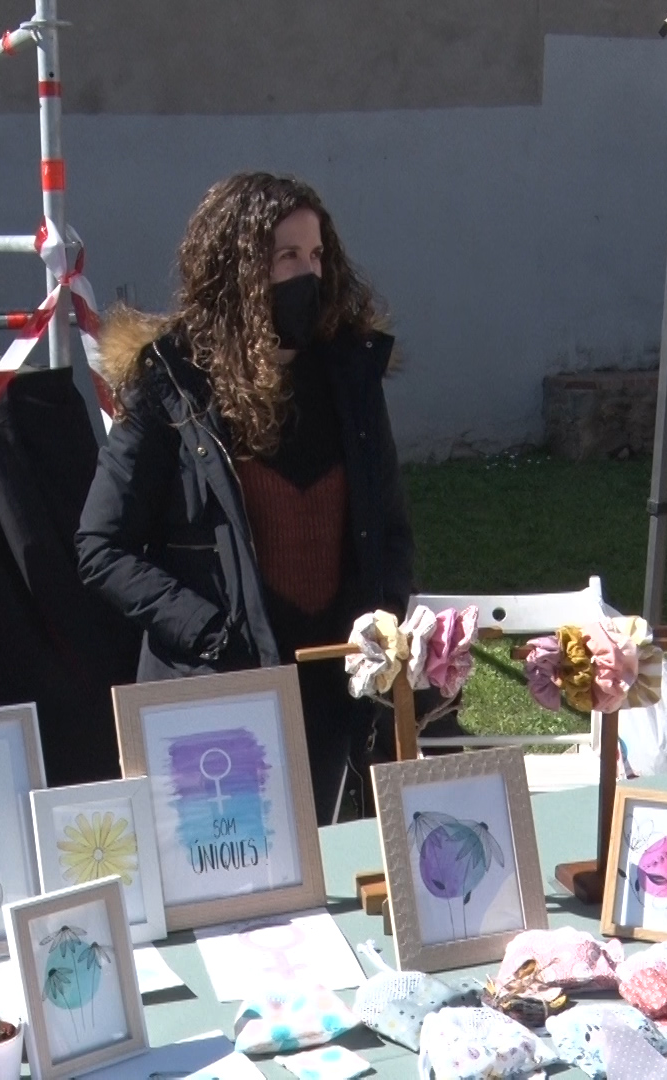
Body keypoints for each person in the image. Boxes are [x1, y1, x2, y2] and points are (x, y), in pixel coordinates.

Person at [77, 172, 415, 824]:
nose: (307, 274)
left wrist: (385, 617)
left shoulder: (350, 376)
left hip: (329, 684)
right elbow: (102, 546)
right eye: (287, 256)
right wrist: (210, 633)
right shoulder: (172, 382)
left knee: (315, 859)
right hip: (216, 692)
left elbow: (390, 528)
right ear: (236, 268)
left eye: (316, 255)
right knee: (228, 866)